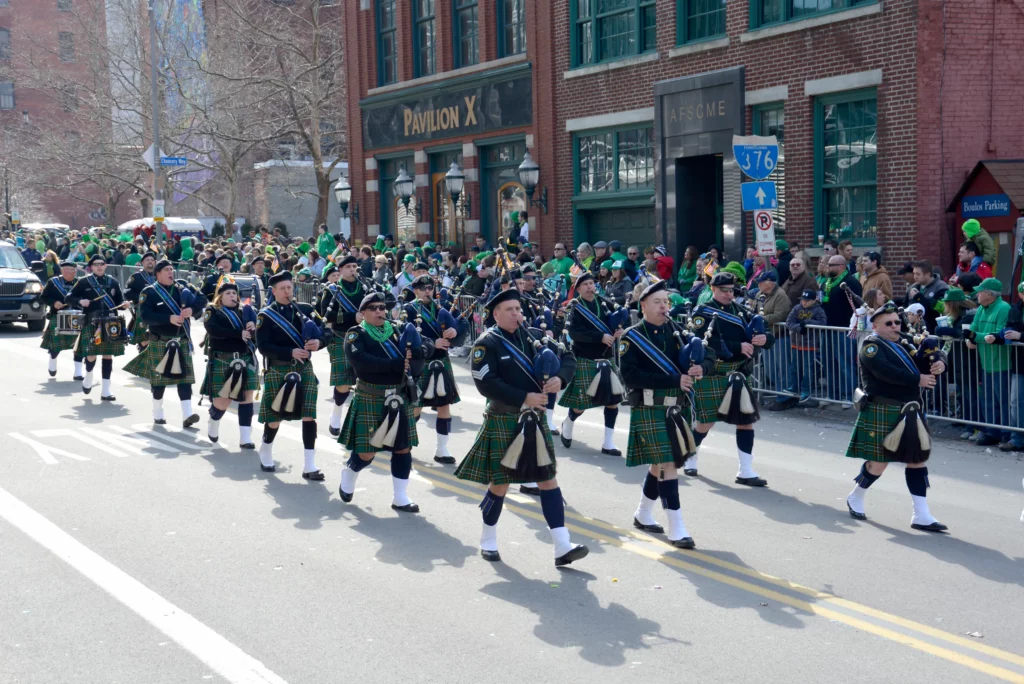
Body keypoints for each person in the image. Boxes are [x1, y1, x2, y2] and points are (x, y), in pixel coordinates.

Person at [454, 288, 589, 565]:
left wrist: (560, 380)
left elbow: (568, 357)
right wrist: (523, 397)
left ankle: (562, 546)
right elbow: (485, 382)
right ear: (496, 314)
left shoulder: (534, 337)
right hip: (505, 417)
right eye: (510, 310)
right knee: (500, 483)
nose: (517, 314)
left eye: (518, 309)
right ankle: (488, 539)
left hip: (534, 420)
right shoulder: (487, 343)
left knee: (547, 479)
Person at [619, 280, 711, 549]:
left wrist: (700, 368)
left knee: (660, 464)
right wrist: (674, 379)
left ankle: (643, 513)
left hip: (674, 408)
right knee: (669, 464)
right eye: (657, 302)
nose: (663, 306)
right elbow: (630, 375)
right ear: (643, 305)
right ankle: (677, 527)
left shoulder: (677, 333)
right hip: (649, 407)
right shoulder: (632, 337)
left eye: (666, 302)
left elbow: (709, 354)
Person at [844, 302, 948, 532]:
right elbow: (885, 372)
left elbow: (927, 353)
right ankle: (856, 495)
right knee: (879, 463)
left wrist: (940, 360)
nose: (895, 326)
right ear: (876, 326)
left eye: (897, 322)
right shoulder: (871, 347)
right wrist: (917, 380)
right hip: (884, 408)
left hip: (910, 410)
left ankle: (921, 514)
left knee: (916, 459)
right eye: (888, 323)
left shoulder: (903, 342)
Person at [338, 291, 425, 512]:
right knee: (368, 452)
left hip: (398, 394)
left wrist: (421, 349)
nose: (379, 311)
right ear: (363, 313)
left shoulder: (396, 330)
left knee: (402, 448)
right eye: (373, 308)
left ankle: (400, 497)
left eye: (382, 307)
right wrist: (397, 364)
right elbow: (362, 362)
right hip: (371, 396)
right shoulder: (355, 334)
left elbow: (422, 347)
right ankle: (350, 471)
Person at [686, 271, 774, 484]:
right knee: (705, 423)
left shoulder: (742, 311)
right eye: (724, 290)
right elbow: (698, 340)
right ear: (713, 289)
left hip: (739, 373)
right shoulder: (703, 312)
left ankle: (746, 470)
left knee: (745, 421)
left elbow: (765, 333)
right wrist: (737, 346)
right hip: (714, 372)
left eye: (731, 290)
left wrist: (765, 338)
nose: (729, 294)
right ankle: (690, 457)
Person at [255, 270, 329, 479]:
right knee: (275, 416)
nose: (287, 292)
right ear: (274, 291)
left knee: (309, 415)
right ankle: (266, 449)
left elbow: (326, 332)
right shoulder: (266, 315)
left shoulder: (306, 310)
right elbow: (263, 347)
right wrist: (290, 351)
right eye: (282, 289)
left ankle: (309, 465)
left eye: (289, 287)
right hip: (278, 368)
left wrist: (319, 342)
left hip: (304, 368)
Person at [123, 259, 206, 425]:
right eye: (167, 270)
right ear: (158, 274)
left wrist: (192, 309)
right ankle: (158, 412)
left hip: (181, 340)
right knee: (159, 382)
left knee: (185, 380)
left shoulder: (182, 286)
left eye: (171, 269)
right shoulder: (149, 292)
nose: (171, 272)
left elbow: (202, 299)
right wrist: (169, 318)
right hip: (160, 341)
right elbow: (146, 317)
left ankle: (187, 415)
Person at [556, 270, 625, 455]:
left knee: (612, 402)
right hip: (586, 357)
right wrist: (600, 337)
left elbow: (613, 323)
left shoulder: (604, 303)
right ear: (577, 289)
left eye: (591, 284)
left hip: (607, 357)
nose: (589, 287)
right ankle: (568, 423)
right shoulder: (574, 307)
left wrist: (617, 332)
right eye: (585, 285)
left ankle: (608, 443)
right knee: (581, 404)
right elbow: (575, 333)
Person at [407, 274, 464, 464]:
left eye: (430, 288)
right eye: (423, 289)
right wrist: (433, 342)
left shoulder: (442, 310)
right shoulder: (408, 309)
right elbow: (408, 337)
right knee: (417, 406)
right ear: (415, 291)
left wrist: (454, 332)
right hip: (421, 361)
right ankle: (406, 441)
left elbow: (456, 329)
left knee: (443, 405)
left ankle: (442, 448)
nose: (427, 291)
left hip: (441, 361)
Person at [200, 279, 258, 448]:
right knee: (223, 401)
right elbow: (213, 330)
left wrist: (253, 327)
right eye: (228, 293)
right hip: (223, 358)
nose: (232, 296)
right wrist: (238, 334)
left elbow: (257, 334)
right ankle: (214, 420)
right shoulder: (213, 311)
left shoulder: (245, 311)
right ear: (220, 296)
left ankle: (245, 437)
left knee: (247, 397)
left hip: (245, 357)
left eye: (234, 293)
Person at [315, 256, 365, 437]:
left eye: (355, 266)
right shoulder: (332, 290)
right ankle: (336, 413)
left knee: (364, 381)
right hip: (340, 337)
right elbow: (324, 314)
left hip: (364, 337)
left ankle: (357, 421)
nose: (353, 269)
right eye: (349, 267)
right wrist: (352, 317)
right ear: (341, 269)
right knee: (344, 382)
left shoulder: (365, 287)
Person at [70, 254, 129, 399]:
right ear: (91, 267)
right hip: (92, 322)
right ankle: (89, 375)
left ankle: (106, 391)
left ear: (105, 265)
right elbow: (69, 297)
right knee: (91, 355)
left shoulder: (113, 282)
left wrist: (125, 305)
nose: (99, 266)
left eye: (102, 263)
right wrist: (80, 301)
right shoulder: (84, 282)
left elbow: (119, 301)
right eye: (96, 264)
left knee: (107, 356)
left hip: (110, 323)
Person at [968, 278, 1012, 447]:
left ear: (989, 294)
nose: (977, 294)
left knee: (1003, 400)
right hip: (985, 361)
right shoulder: (980, 308)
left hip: (1002, 363)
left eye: (980, 291)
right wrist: (976, 338)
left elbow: (996, 335)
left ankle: (1006, 433)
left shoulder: (1004, 308)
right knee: (987, 398)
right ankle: (992, 431)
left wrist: (975, 338)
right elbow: (973, 331)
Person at [771, 289, 827, 410]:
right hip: (796, 343)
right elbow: (789, 321)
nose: (804, 303)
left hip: (810, 344)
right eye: (803, 300)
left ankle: (806, 390)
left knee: (808, 368)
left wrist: (807, 322)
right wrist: (799, 328)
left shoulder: (818, 310)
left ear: (814, 300)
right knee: (794, 367)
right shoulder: (797, 308)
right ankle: (794, 386)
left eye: (807, 301)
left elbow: (822, 323)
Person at [820, 255, 862, 404]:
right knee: (829, 362)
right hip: (827, 328)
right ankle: (833, 395)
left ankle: (850, 395)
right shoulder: (826, 282)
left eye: (831, 265)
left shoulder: (850, 283)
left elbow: (857, 306)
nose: (828, 267)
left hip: (843, 328)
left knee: (845, 363)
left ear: (841, 266)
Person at [39, 260, 83, 380]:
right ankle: (52, 360)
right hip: (58, 315)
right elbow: (43, 297)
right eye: (68, 270)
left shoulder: (80, 283)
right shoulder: (53, 282)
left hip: (78, 316)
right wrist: (54, 303)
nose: (71, 272)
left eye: (73, 270)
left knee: (79, 345)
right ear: (62, 270)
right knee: (56, 345)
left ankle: (78, 372)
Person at [124, 251, 158, 349]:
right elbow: (126, 292)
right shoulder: (136, 277)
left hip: (158, 310)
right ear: (142, 263)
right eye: (147, 260)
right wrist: (141, 297)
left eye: (152, 260)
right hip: (142, 311)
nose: (150, 262)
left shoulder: (159, 276)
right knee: (144, 340)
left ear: (155, 262)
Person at [907, 260, 949, 332]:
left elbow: (935, 311)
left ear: (927, 274)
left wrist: (918, 297)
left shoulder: (941, 287)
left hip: (932, 329)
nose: (915, 277)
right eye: (914, 273)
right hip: (914, 329)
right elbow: (906, 305)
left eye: (918, 274)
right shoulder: (913, 287)